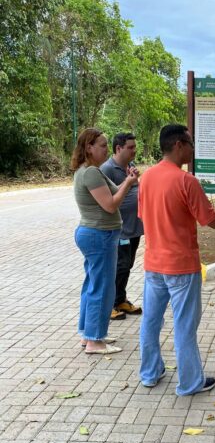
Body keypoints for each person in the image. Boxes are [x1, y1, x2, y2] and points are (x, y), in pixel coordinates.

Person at [138, 124, 215, 394]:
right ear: (179, 145)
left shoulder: (146, 178)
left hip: (153, 264)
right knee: (185, 327)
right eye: (191, 143)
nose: (193, 149)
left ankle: (149, 373)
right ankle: (190, 383)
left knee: (150, 321)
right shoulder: (186, 181)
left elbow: (143, 216)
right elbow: (212, 221)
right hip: (181, 266)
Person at [71, 128, 138, 355]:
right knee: (102, 288)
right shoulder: (90, 173)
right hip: (99, 235)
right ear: (89, 147)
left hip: (96, 234)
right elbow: (110, 204)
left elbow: (112, 194)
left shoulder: (90, 171)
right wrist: (129, 185)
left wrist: (128, 180)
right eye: (101, 145)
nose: (106, 149)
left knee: (93, 285)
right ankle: (94, 341)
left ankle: (89, 334)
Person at [101, 133, 144, 320]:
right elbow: (106, 199)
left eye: (135, 147)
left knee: (127, 265)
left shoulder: (131, 167)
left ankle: (120, 300)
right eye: (131, 147)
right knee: (119, 266)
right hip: (119, 229)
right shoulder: (107, 169)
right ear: (119, 148)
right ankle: (108, 305)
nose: (134, 150)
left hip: (134, 227)